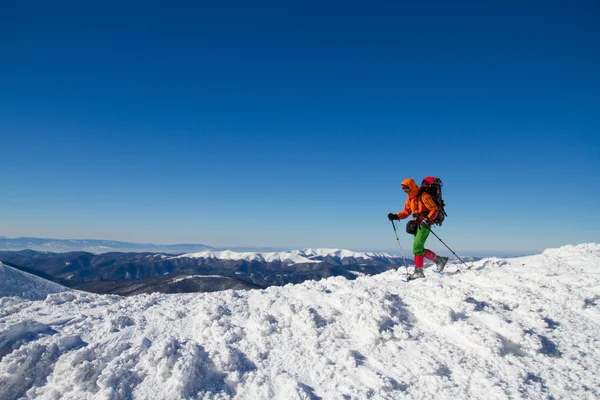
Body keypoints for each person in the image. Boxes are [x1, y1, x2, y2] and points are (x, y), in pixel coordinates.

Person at [388, 177, 448, 280]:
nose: (405, 192)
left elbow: (434, 209)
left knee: (417, 248)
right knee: (418, 248)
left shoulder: (424, 196)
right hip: (418, 224)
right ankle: (439, 261)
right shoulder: (410, 199)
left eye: (406, 189)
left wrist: (428, 220)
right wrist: (396, 216)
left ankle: (420, 271)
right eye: (404, 190)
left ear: (411, 187)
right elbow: (406, 211)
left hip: (425, 224)